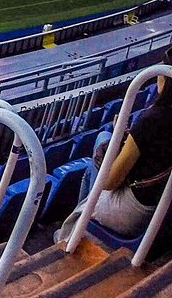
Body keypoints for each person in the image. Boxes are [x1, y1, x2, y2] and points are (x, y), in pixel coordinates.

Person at [58, 49, 172, 242]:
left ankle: (69, 236)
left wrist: (120, 136)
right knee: (100, 143)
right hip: (159, 203)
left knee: (99, 150)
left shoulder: (154, 119)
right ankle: (82, 219)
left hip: (134, 210)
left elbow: (111, 182)